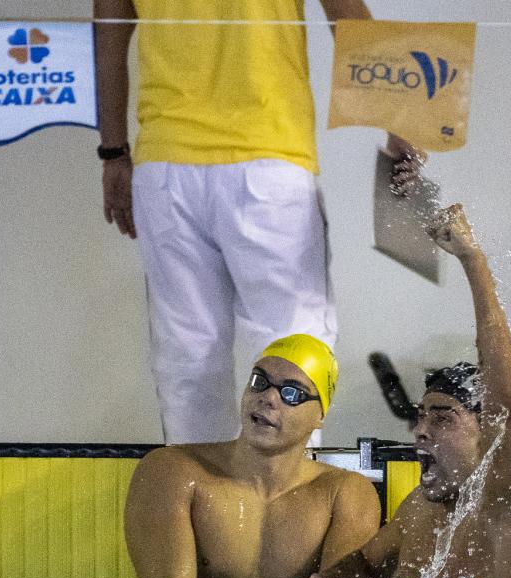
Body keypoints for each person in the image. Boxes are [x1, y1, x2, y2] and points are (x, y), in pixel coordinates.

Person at [94, 0, 424, 444]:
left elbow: (108, 30)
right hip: (269, 158)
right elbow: (348, 18)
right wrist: (399, 120)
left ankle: (195, 500)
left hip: (167, 164)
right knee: (292, 340)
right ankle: (291, 500)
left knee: (188, 352)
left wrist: (113, 150)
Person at [319, 204, 511, 578]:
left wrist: (472, 260)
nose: (421, 429)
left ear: (486, 434)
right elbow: (364, 567)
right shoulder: (418, 509)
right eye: (422, 416)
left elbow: (505, 403)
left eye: (443, 419)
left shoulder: (507, 500)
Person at [124, 334, 381, 578]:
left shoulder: (344, 494)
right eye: (260, 381)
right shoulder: (172, 470)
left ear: (319, 416)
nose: (269, 397)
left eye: (292, 392)